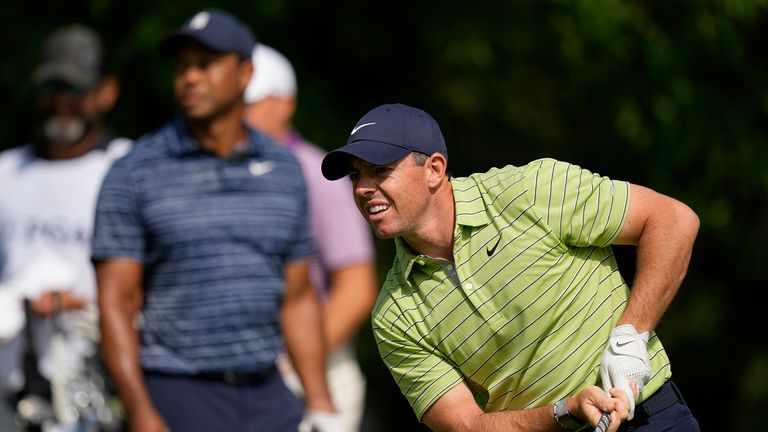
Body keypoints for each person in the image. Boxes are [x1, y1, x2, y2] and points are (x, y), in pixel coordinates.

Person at [320, 103, 701, 431]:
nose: (362, 188)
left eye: (380, 170)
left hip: (652, 420)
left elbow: (672, 221)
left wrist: (631, 337)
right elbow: (464, 425)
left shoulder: (529, 192)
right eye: (356, 175)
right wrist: (564, 411)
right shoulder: (394, 313)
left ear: (435, 169)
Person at [91, 9, 341, 432]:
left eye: (206, 65)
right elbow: (116, 303)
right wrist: (140, 412)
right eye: (184, 66)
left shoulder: (284, 169)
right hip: (178, 392)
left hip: (269, 393)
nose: (190, 77)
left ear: (245, 74)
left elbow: (298, 298)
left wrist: (319, 401)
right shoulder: (134, 172)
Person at [0, 24, 130, 430]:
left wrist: (79, 302)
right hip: (12, 388)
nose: (62, 103)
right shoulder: (7, 170)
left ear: (106, 92)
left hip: (100, 385)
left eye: (75, 90)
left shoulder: (126, 169)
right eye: (53, 89)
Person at [242, 43, 379, 431]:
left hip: (313, 372)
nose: (237, 115)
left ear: (284, 104)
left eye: (249, 103)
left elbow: (355, 287)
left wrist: (292, 361)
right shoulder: (219, 173)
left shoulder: (315, 176)